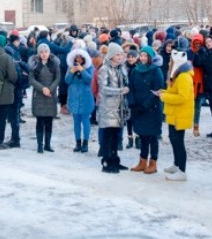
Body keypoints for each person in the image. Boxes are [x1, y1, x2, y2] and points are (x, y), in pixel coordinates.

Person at [157, 48, 195, 181]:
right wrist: (163, 92)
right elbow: (174, 92)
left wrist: (164, 97)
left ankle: (182, 170)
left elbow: (182, 98)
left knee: (178, 142)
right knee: (173, 139)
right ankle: (176, 164)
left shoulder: (184, 76)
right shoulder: (178, 75)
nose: (168, 64)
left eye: (171, 62)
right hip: (174, 114)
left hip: (180, 114)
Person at [128, 46, 165, 174]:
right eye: (141, 55)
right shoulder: (135, 70)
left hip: (152, 108)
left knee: (153, 136)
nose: (143, 58)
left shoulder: (156, 71)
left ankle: (153, 162)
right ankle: (142, 161)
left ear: (150, 57)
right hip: (138, 107)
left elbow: (157, 89)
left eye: (145, 56)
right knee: (142, 135)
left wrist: (146, 105)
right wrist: (132, 103)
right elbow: (131, 87)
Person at [97, 43, 130, 173]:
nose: (120, 57)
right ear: (111, 55)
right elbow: (103, 89)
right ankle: (106, 161)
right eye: (117, 54)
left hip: (119, 108)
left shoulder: (121, 68)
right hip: (108, 108)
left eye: (121, 54)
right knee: (108, 136)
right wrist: (120, 90)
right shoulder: (104, 69)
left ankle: (115, 160)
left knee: (116, 136)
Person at [29, 43, 60, 153]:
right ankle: (40, 145)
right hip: (39, 96)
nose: (43, 54)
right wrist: (42, 89)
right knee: (40, 121)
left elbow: (57, 78)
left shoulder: (54, 64)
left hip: (51, 96)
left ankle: (47, 144)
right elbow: (32, 79)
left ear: (49, 52)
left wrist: (50, 89)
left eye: (45, 52)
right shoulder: (35, 64)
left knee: (49, 121)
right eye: (41, 52)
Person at [65, 47, 95, 153]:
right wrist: (71, 72)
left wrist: (82, 70)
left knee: (85, 121)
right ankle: (77, 143)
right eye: (76, 57)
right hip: (74, 97)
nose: (78, 60)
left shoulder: (90, 67)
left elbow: (89, 80)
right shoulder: (70, 68)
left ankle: (85, 143)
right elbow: (67, 81)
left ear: (84, 58)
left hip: (85, 97)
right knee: (76, 121)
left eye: (80, 58)